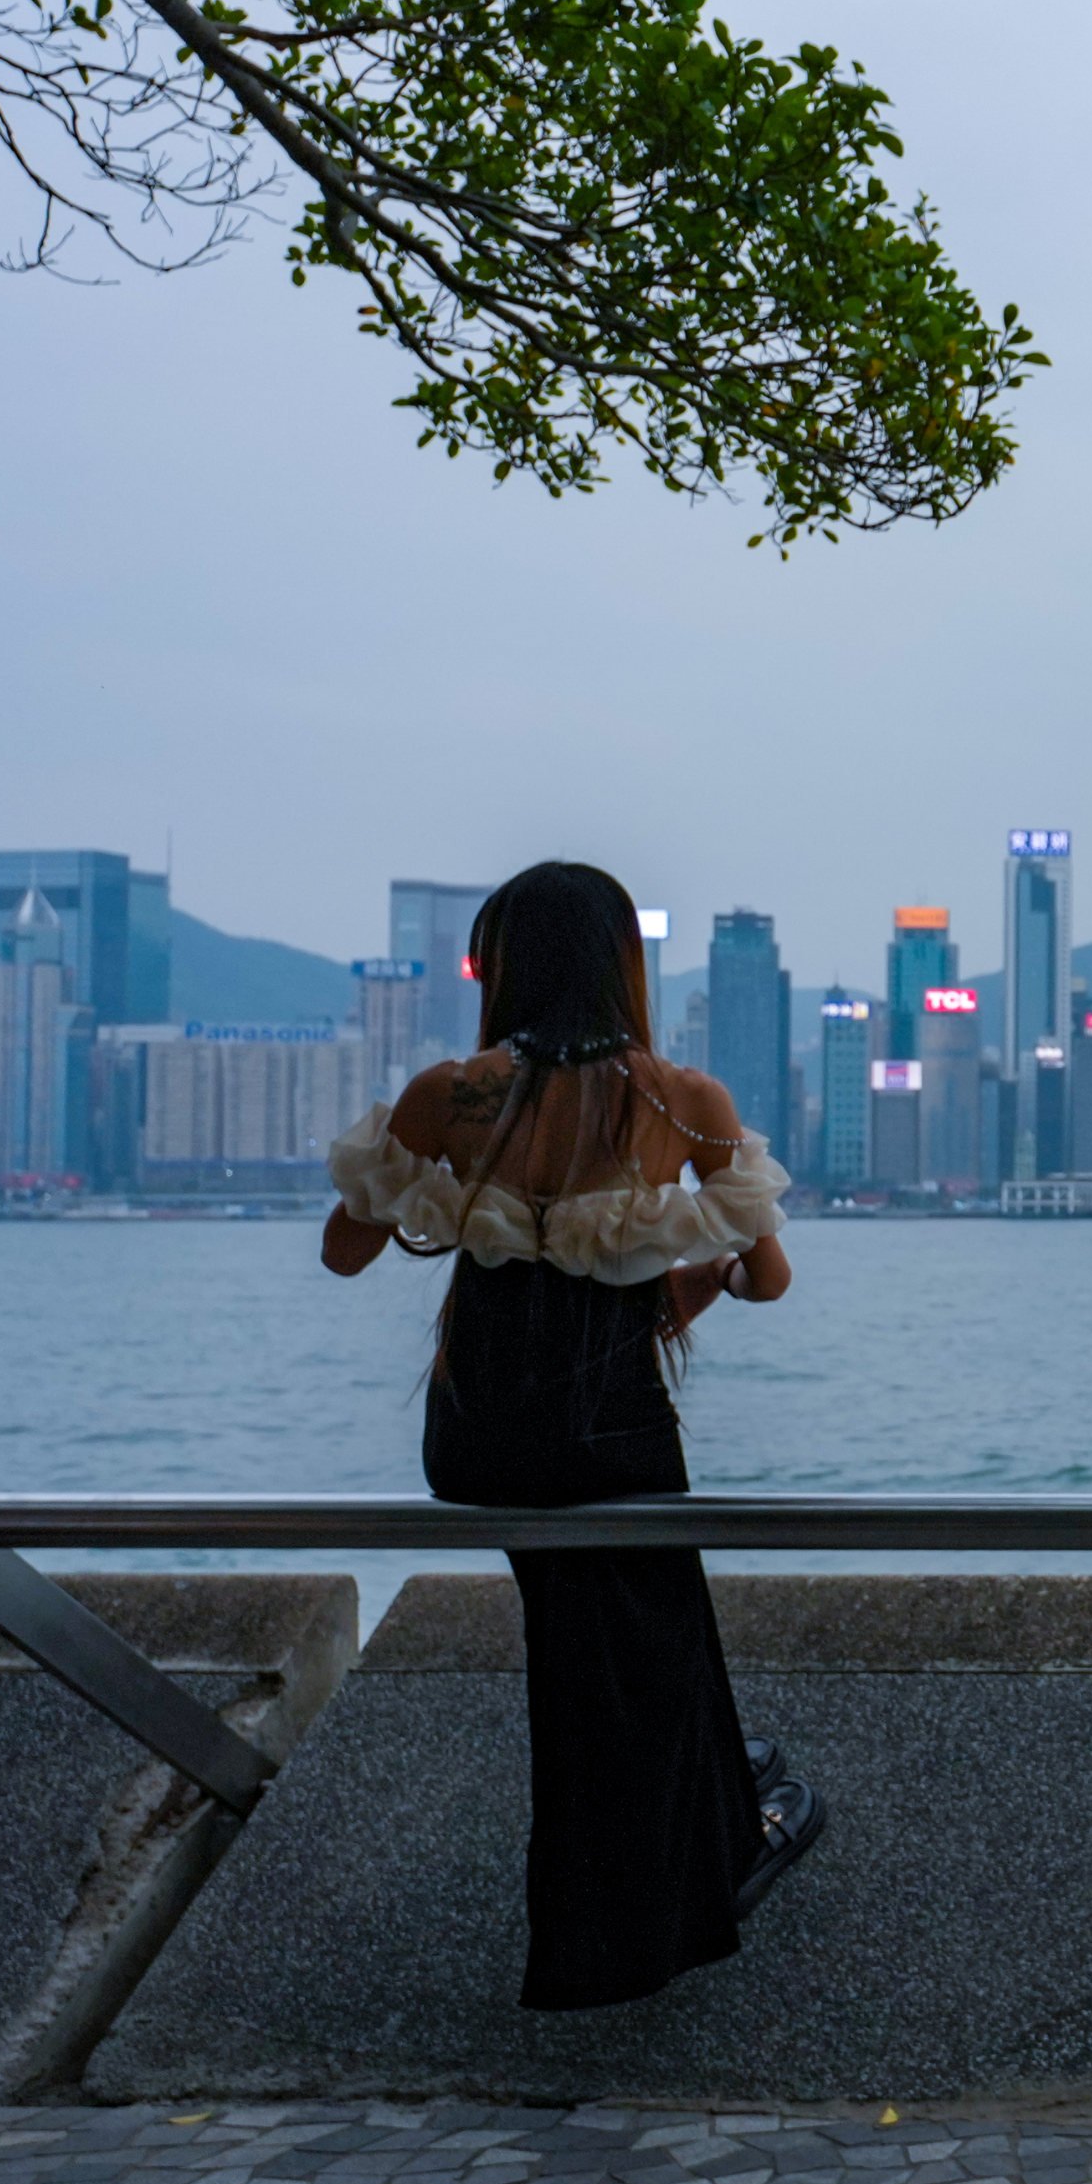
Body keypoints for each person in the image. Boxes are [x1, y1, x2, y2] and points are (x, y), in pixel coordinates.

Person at [320, 861, 828, 2010]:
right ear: (621, 967)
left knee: (604, 1642)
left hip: (478, 1439)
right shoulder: (681, 1101)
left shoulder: (448, 1095)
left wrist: (461, 1202)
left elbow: (344, 1253)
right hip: (612, 1434)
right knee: (643, 1645)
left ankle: (706, 1813)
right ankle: (638, 1924)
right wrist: (680, 1274)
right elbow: (767, 1278)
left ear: (501, 968)